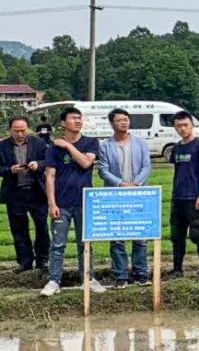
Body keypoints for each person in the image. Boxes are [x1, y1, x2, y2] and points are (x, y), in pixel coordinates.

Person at [41, 108, 104, 296]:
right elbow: (50, 176)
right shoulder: (53, 148)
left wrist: (68, 146)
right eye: (73, 118)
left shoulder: (90, 142)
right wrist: (52, 204)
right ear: (63, 123)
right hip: (62, 203)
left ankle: (88, 278)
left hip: (85, 202)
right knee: (58, 244)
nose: (78, 121)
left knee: (85, 243)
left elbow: (85, 163)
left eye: (79, 118)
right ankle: (54, 280)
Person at [98, 108, 153, 288]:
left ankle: (141, 274)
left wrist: (136, 184)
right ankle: (120, 276)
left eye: (126, 119)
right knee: (117, 237)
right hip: (116, 195)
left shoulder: (140, 143)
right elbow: (103, 170)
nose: (124, 122)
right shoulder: (105, 146)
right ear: (112, 123)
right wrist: (120, 184)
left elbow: (146, 166)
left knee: (140, 236)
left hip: (138, 194)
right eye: (119, 120)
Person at [0, 115, 49, 273]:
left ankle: (43, 260)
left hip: (37, 191)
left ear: (28, 129)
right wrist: (10, 170)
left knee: (42, 227)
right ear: (10, 130)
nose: (20, 134)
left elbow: (48, 161)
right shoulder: (3, 146)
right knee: (19, 229)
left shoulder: (39, 143)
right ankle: (25, 261)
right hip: (15, 193)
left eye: (23, 130)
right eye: (16, 131)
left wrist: (38, 165)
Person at [167, 111, 199, 281]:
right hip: (179, 198)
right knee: (177, 236)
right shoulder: (177, 148)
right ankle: (177, 269)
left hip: (195, 197)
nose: (182, 129)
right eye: (178, 126)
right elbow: (177, 172)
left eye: (185, 125)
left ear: (192, 125)